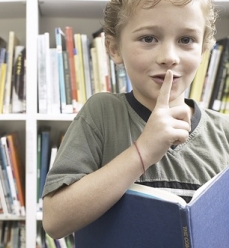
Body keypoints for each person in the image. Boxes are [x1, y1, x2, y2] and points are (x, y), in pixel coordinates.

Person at [42, 0, 229, 240]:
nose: (169, 57)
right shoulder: (101, 114)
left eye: (186, 40)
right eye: (149, 39)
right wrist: (144, 151)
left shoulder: (223, 131)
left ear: (203, 49)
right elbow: (55, 221)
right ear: (114, 48)